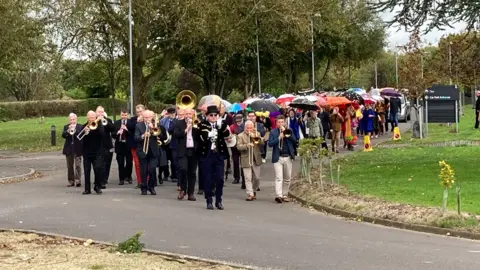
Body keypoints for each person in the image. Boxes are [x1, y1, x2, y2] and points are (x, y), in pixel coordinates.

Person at [198, 105, 231, 210]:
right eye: (211, 115)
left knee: (220, 179)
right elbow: (200, 138)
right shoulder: (202, 124)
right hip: (207, 155)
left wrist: (221, 126)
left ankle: (219, 200)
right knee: (207, 179)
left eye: (215, 115)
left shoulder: (222, 123)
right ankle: (209, 200)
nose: (213, 117)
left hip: (218, 155)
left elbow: (227, 135)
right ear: (207, 116)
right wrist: (208, 135)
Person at [268, 115, 296, 203]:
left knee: (287, 178)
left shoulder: (289, 131)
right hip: (278, 157)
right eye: (278, 122)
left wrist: (287, 134)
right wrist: (279, 138)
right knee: (279, 177)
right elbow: (270, 144)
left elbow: (295, 140)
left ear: (284, 122)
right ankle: (279, 195)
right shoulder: (273, 132)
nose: (280, 124)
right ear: (276, 123)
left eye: (282, 122)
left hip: (287, 156)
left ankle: (285, 195)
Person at [135, 110, 164, 195]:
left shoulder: (156, 125)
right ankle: (144, 188)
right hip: (142, 151)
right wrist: (143, 135)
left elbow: (162, 136)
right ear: (143, 117)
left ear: (152, 117)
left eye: (149, 117)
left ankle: (151, 187)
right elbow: (136, 137)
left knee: (152, 169)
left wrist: (153, 128)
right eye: (145, 117)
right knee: (143, 171)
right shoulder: (138, 125)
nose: (147, 119)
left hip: (153, 151)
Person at [173, 108, 199, 201]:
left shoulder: (197, 123)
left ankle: (190, 193)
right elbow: (176, 134)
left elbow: (200, 136)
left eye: (190, 114)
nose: (188, 115)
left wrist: (195, 127)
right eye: (186, 114)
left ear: (193, 114)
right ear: (184, 114)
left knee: (192, 172)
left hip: (193, 150)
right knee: (183, 169)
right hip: (183, 150)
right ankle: (183, 189)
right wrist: (186, 129)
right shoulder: (178, 123)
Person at [81, 111, 109, 194]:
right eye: (90, 117)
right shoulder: (84, 126)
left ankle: (97, 186)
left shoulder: (99, 125)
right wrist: (84, 132)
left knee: (98, 170)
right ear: (87, 117)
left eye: (93, 117)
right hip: (87, 152)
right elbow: (80, 139)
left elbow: (102, 134)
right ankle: (87, 189)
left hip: (97, 152)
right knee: (86, 171)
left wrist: (97, 125)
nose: (92, 118)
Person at [236, 120, 263, 201]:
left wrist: (254, 136)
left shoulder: (257, 133)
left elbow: (260, 143)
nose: (249, 129)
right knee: (248, 178)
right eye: (247, 128)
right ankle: (250, 194)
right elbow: (238, 147)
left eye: (250, 128)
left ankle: (254, 190)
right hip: (246, 158)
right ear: (244, 128)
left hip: (255, 158)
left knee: (257, 178)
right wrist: (247, 145)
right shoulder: (240, 135)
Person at [95, 106, 115, 188]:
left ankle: (104, 180)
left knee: (106, 164)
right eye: (99, 112)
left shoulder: (107, 120)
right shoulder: (93, 121)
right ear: (96, 112)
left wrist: (105, 121)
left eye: (102, 112)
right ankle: (98, 179)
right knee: (98, 164)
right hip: (97, 145)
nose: (100, 113)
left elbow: (112, 128)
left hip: (106, 145)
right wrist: (97, 121)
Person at [61, 113, 83, 187]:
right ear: (69, 120)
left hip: (77, 148)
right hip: (69, 148)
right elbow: (63, 135)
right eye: (71, 120)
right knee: (69, 166)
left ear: (76, 119)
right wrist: (68, 131)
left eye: (73, 119)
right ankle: (71, 181)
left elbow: (80, 134)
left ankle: (78, 180)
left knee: (78, 165)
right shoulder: (66, 126)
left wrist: (75, 130)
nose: (72, 121)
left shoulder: (80, 126)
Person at [127, 104, 145, 188]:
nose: (139, 113)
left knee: (146, 163)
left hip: (145, 144)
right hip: (135, 145)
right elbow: (129, 127)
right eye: (137, 112)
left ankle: (147, 181)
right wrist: (137, 122)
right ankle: (139, 182)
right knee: (137, 164)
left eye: (141, 111)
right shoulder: (132, 120)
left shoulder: (148, 118)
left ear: (144, 111)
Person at [114, 109, 133, 185]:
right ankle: (121, 179)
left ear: (127, 115)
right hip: (119, 145)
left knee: (129, 162)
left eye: (125, 115)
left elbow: (132, 133)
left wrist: (126, 130)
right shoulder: (116, 123)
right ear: (120, 115)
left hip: (128, 145)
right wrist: (117, 133)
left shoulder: (131, 123)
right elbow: (112, 134)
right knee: (120, 163)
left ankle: (128, 176)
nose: (124, 117)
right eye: (122, 115)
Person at [160, 107, 178, 182]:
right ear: (168, 114)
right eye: (170, 113)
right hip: (165, 143)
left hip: (174, 142)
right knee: (165, 160)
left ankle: (174, 175)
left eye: (173, 113)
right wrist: (161, 116)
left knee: (174, 160)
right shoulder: (164, 120)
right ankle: (166, 174)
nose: (172, 115)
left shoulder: (177, 120)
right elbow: (160, 127)